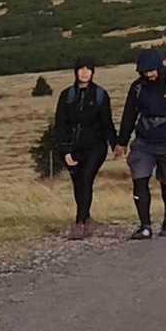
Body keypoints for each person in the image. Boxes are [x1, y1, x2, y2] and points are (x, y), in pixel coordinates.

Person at [118, 46, 166, 237]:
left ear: (159, 67)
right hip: (144, 141)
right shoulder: (137, 88)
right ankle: (145, 226)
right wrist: (122, 141)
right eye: (145, 71)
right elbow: (129, 114)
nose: (149, 74)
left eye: (152, 70)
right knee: (139, 180)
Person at [49, 60, 117, 234]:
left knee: (86, 177)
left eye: (88, 70)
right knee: (78, 182)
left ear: (93, 72)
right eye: (81, 69)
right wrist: (65, 150)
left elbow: (107, 123)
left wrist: (115, 144)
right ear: (76, 72)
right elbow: (60, 124)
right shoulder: (67, 95)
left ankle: (79, 223)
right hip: (73, 146)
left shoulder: (100, 94)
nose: (85, 73)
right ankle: (86, 218)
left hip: (96, 146)